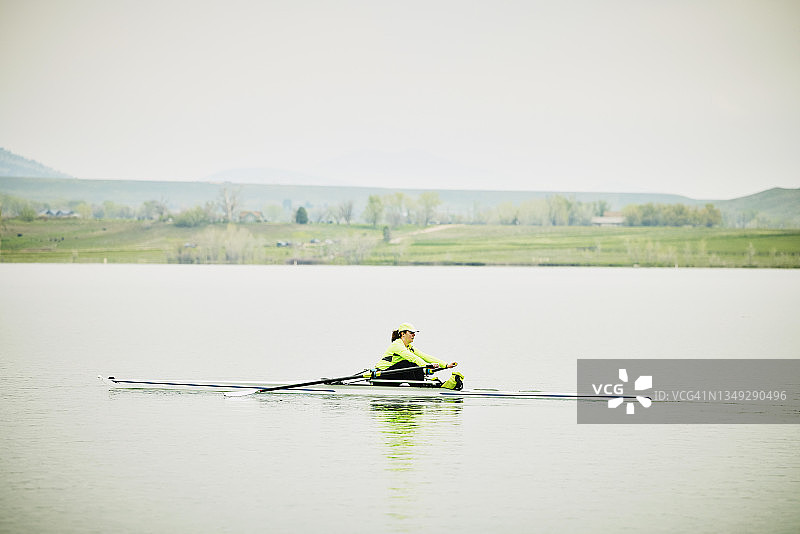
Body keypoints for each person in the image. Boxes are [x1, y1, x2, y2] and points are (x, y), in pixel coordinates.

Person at [371, 323, 463, 389]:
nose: (414, 335)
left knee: (413, 364)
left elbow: (424, 356)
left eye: (414, 333)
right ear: (403, 334)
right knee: (407, 363)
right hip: (381, 378)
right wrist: (426, 366)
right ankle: (420, 387)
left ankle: (421, 386)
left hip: (391, 377)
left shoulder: (409, 347)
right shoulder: (397, 345)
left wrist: (446, 365)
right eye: (411, 332)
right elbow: (412, 358)